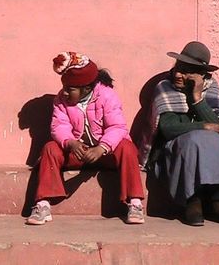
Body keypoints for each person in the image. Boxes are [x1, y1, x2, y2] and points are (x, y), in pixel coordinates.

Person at [26, 52, 145, 225]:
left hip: (105, 153)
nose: (65, 93)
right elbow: (59, 126)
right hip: (78, 153)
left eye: (70, 89)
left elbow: (117, 127)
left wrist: (102, 147)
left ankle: (134, 203)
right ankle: (43, 204)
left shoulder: (107, 96)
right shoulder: (61, 100)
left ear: (87, 88)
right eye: (64, 87)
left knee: (127, 148)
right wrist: (70, 142)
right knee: (50, 148)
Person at [141, 41, 219, 226]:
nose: (178, 74)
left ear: (200, 75)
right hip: (172, 148)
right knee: (193, 142)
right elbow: (168, 128)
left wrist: (196, 99)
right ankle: (192, 201)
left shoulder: (211, 88)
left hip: (202, 142)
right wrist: (206, 126)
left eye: (186, 71)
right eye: (178, 68)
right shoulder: (165, 87)